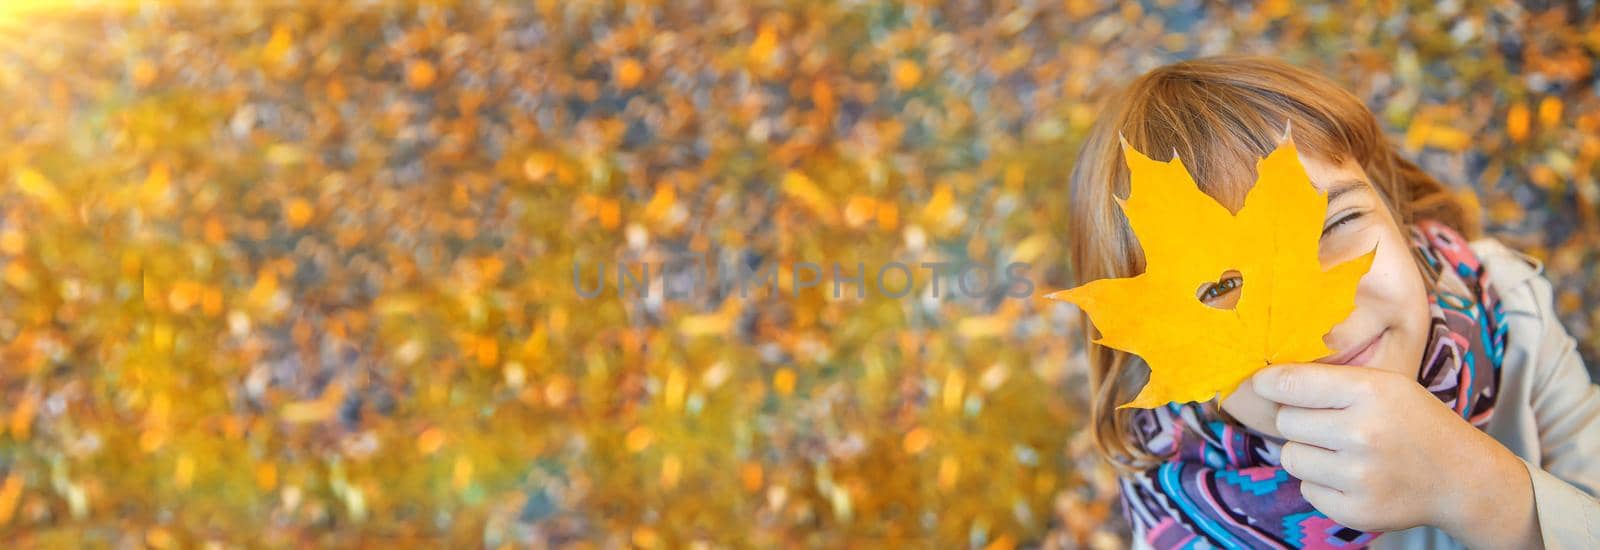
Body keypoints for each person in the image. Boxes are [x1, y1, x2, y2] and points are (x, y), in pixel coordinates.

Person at [1066, 55, 1600, 549]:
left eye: (1339, 222)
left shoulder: (1509, 307)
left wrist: (1477, 489)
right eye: (1222, 287)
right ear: (1155, 350)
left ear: (1393, 204)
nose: (1329, 321)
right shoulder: (1181, 520)